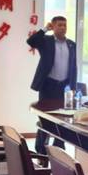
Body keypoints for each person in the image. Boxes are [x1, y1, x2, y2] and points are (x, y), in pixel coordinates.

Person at [27, 15, 77, 154]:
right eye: (59, 25)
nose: (62, 28)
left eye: (64, 25)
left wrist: (73, 87)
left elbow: (74, 67)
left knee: (63, 118)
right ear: (53, 26)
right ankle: (41, 149)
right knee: (45, 118)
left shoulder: (71, 44)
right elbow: (31, 41)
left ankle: (59, 148)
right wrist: (44, 29)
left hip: (64, 87)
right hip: (48, 85)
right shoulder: (46, 41)